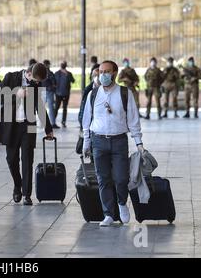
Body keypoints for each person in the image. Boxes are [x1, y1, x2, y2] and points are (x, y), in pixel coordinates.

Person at [82, 60, 144, 227]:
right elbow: (87, 119)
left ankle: (122, 203)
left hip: (119, 141)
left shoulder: (125, 93)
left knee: (120, 178)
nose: (102, 75)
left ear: (115, 73)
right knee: (103, 179)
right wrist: (86, 143)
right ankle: (108, 214)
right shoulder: (93, 94)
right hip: (98, 140)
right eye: (100, 72)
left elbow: (133, 118)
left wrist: (138, 142)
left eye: (106, 72)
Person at [0, 62, 53, 206]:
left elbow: (39, 106)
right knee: (11, 159)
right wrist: (16, 94)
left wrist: (48, 128)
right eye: (36, 80)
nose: (37, 83)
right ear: (28, 73)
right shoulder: (10, 78)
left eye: (39, 82)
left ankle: (27, 194)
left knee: (28, 160)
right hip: (11, 126)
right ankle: (17, 185)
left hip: (29, 126)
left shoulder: (36, 84)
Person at [54, 61, 75, 128]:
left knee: (61, 108)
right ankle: (55, 121)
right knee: (59, 108)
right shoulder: (58, 73)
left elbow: (73, 81)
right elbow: (73, 81)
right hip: (60, 93)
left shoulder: (66, 73)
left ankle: (60, 121)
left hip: (63, 93)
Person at [41, 60, 58, 128]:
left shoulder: (41, 72)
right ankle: (52, 123)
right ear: (48, 65)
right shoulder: (49, 73)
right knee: (51, 108)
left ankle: (42, 122)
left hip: (42, 90)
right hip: (49, 91)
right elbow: (54, 82)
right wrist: (54, 86)